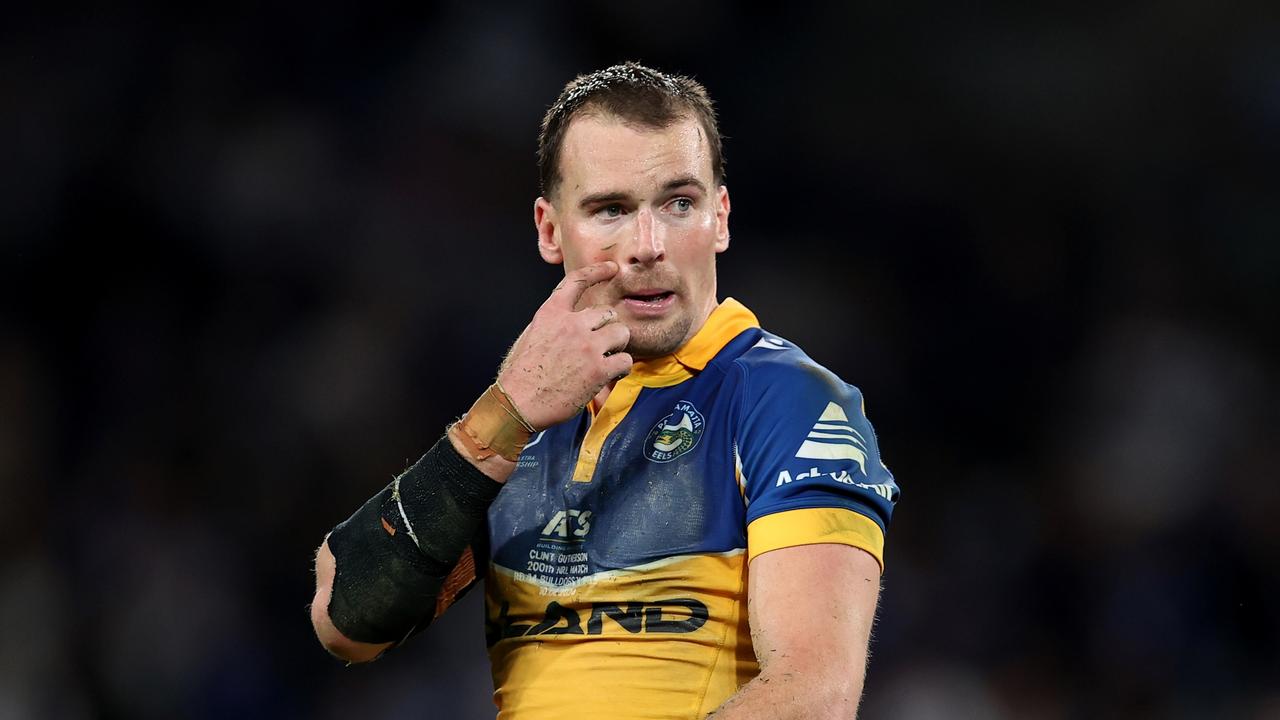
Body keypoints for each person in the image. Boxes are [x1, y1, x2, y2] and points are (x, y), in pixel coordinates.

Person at [310, 62, 900, 719]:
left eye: (680, 203)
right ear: (550, 230)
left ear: (721, 218)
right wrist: (503, 415)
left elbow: (812, 696)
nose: (648, 246)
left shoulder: (786, 400)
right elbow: (349, 623)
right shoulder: (523, 424)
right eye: (612, 209)